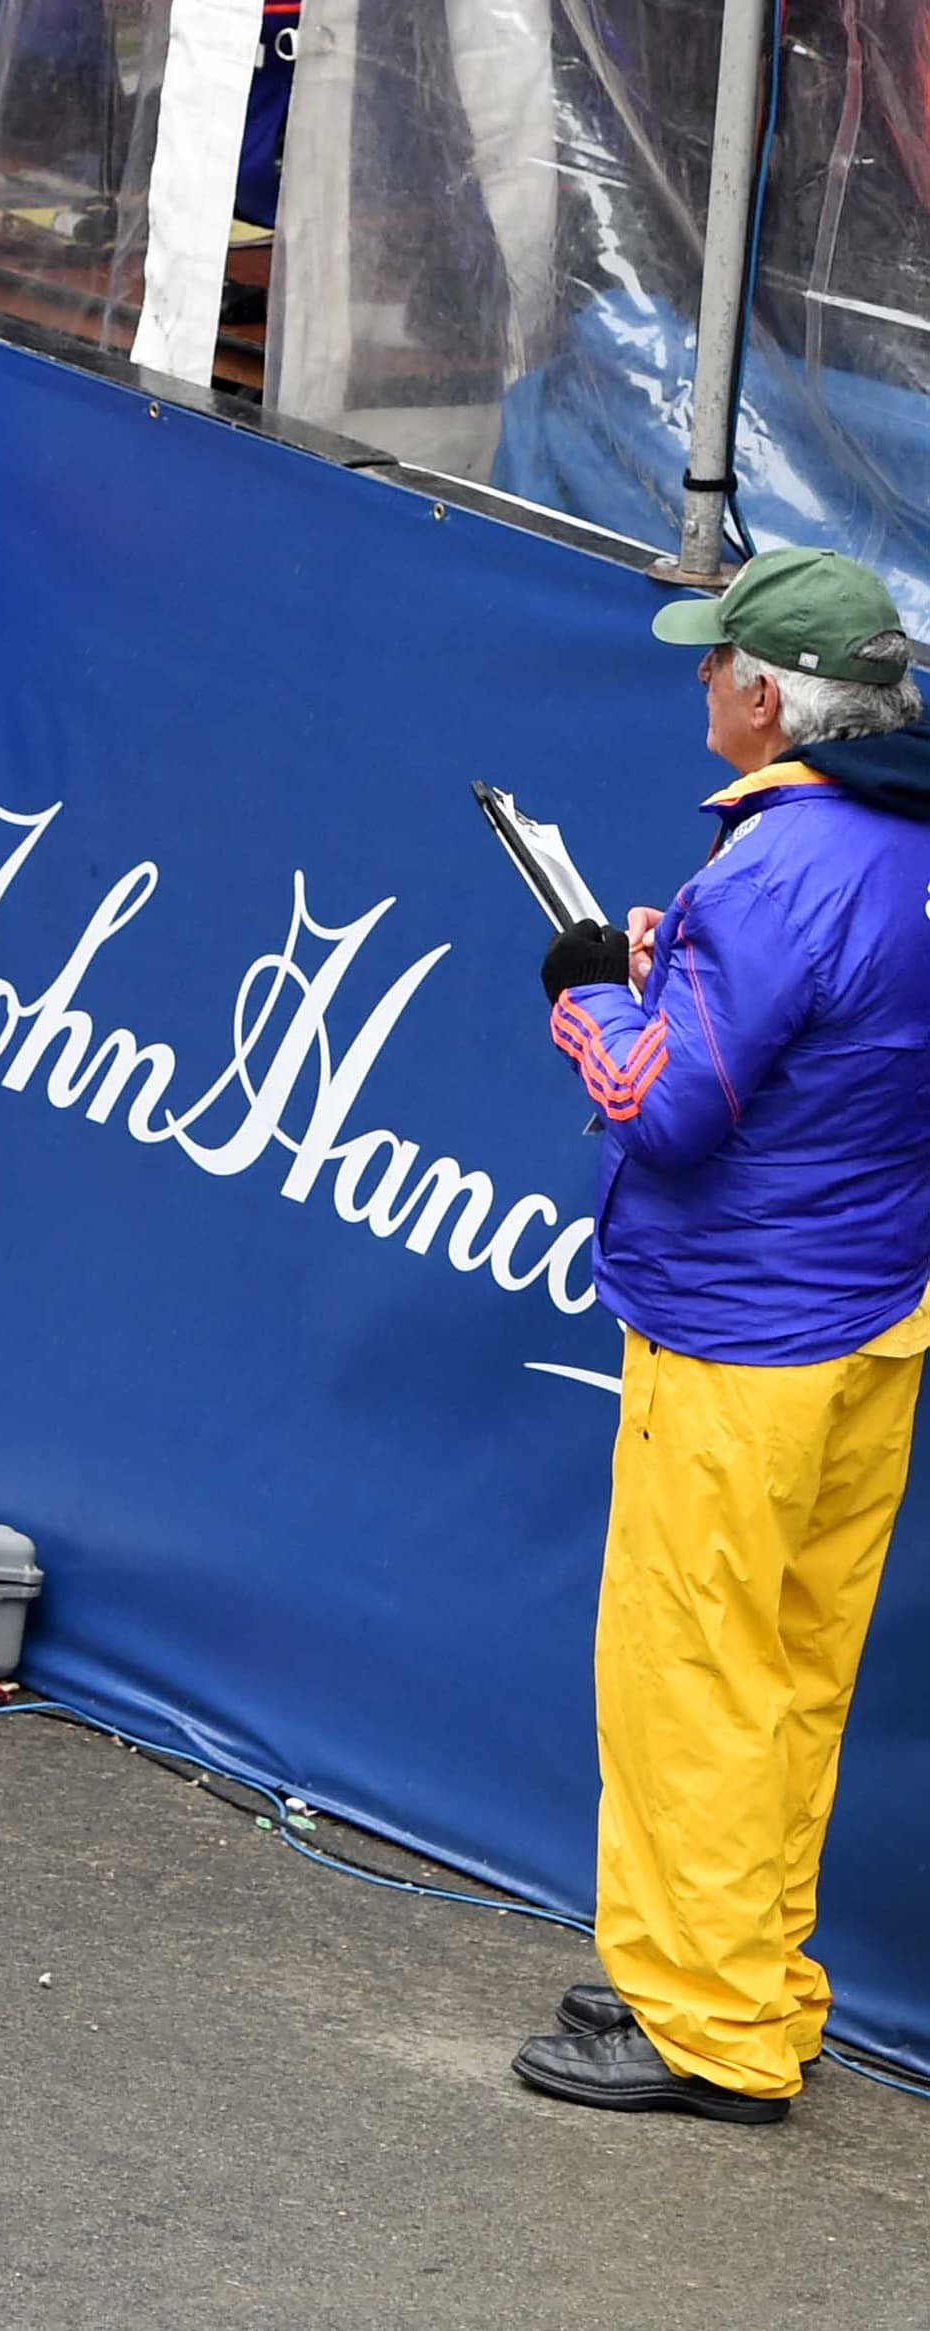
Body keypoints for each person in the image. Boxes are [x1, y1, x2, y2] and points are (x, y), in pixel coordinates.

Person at [518, 548, 930, 2123]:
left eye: (714, 662)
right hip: (873, 1324)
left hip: (743, 1339)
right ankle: (748, 1981)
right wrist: (678, 972)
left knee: (692, 1675)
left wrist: (586, 994)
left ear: (764, 697)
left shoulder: (773, 870)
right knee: (794, 1673)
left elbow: (663, 1106)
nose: (700, 680)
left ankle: (702, 2029)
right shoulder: (897, 846)